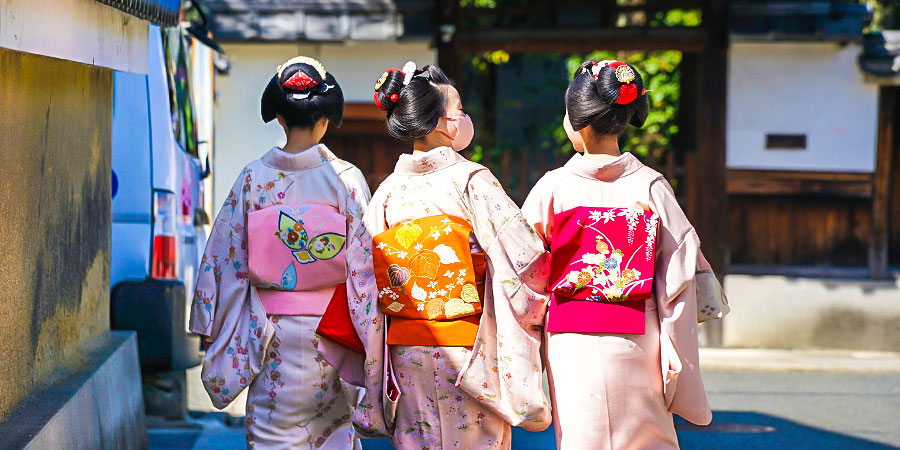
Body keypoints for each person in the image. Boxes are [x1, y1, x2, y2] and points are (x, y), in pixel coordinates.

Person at [316, 62, 551, 449]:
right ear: (442, 123)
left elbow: (361, 284)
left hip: (406, 353)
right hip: (470, 354)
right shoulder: (471, 180)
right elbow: (525, 259)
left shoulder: (387, 194)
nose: (464, 117)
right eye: (459, 110)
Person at [521, 60, 712, 449]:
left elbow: (522, 271)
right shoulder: (650, 187)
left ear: (577, 122)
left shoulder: (551, 189)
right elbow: (679, 279)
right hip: (638, 337)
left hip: (570, 341)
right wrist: (674, 350)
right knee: (646, 438)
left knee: (581, 437)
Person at [190, 56, 368, 449]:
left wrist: (207, 322)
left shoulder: (254, 177)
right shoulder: (346, 180)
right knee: (336, 433)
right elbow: (365, 264)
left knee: (272, 435)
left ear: (281, 119)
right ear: (324, 120)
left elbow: (225, 257)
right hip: (334, 331)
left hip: (269, 332)